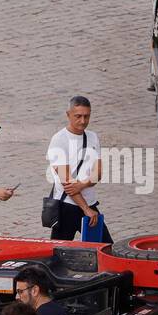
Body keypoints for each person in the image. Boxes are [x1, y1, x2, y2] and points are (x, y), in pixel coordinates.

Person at [46, 96, 112, 243]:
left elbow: (98, 173)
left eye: (86, 116)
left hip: (89, 202)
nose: (83, 121)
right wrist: (86, 209)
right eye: (78, 116)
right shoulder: (59, 140)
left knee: (105, 247)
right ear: (68, 115)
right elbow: (67, 183)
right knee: (58, 252)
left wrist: (82, 185)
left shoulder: (92, 137)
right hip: (67, 206)